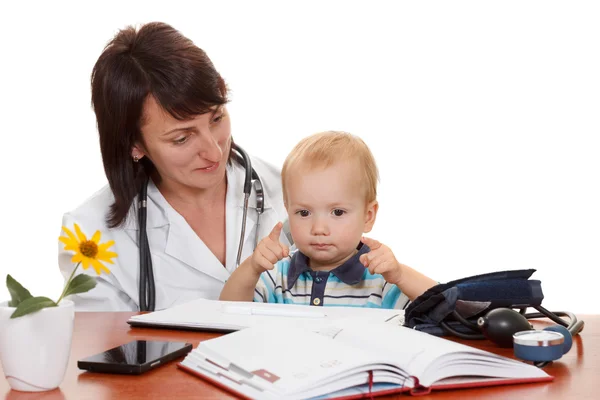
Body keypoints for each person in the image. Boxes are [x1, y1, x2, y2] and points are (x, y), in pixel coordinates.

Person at [58, 22, 290, 312]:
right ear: (135, 145)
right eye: (182, 138)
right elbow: (102, 351)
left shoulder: (287, 189)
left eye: (216, 118)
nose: (214, 150)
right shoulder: (90, 234)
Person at [220, 131, 437, 308]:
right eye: (304, 213)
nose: (319, 229)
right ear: (288, 211)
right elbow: (225, 311)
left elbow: (448, 305)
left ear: (368, 216)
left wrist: (400, 275)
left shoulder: (380, 279)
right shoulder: (278, 276)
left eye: (338, 212)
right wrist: (252, 267)